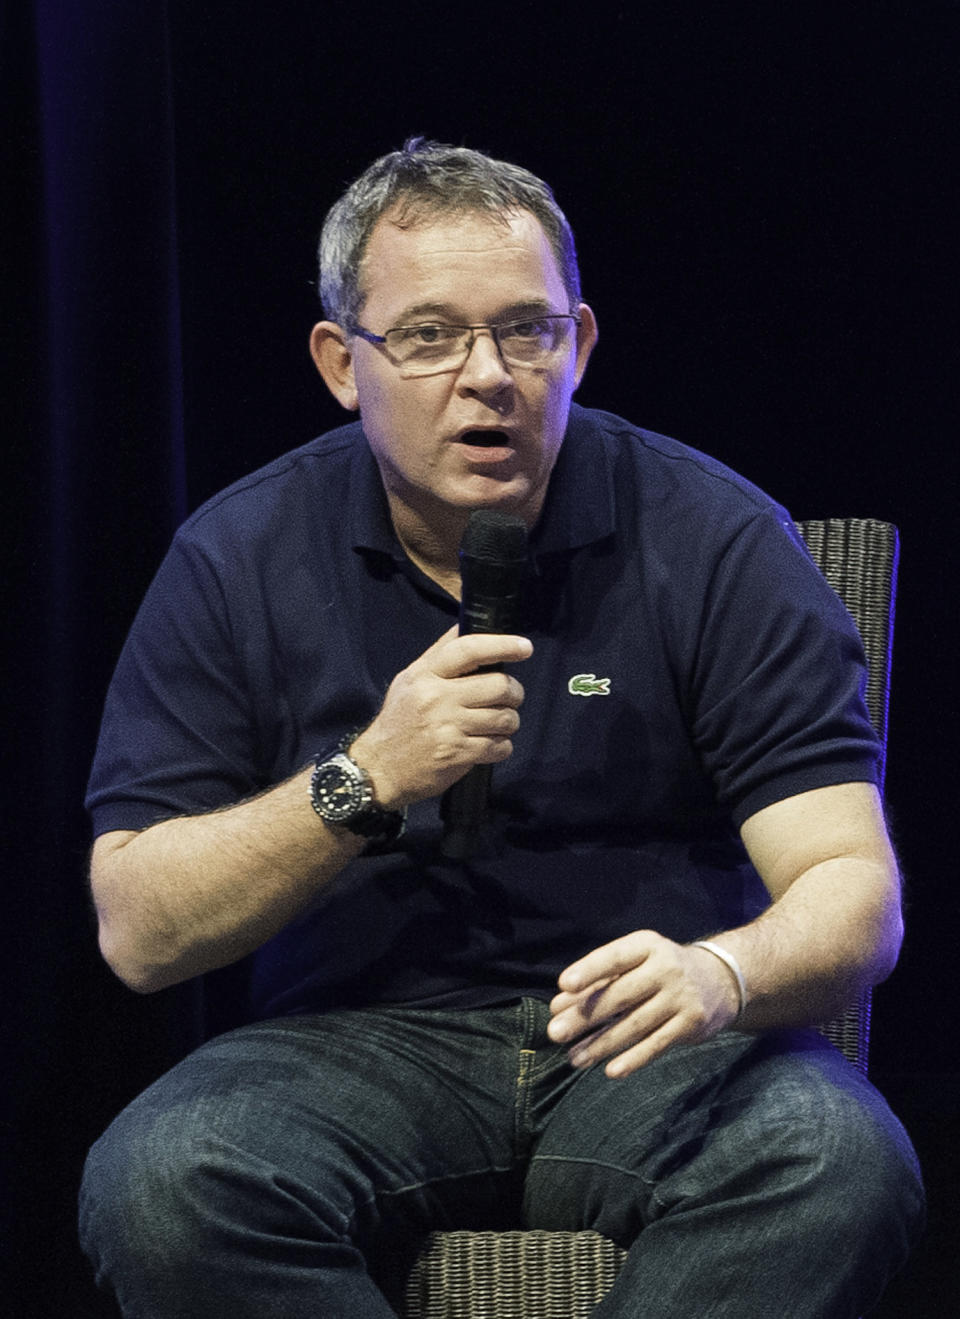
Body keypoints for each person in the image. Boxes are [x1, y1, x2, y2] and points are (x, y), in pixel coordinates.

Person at [79, 138, 923, 1317]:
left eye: (526, 331)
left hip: (651, 1042)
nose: (489, 375)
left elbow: (854, 886)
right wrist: (365, 775)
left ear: (578, 344)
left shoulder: (718, 536)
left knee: (836, 1161)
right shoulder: (237, 554)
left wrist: (723, 970)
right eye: (429, 336)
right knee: (164, 1180)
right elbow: (138, 929)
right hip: (353, 1046)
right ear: (341, 362)